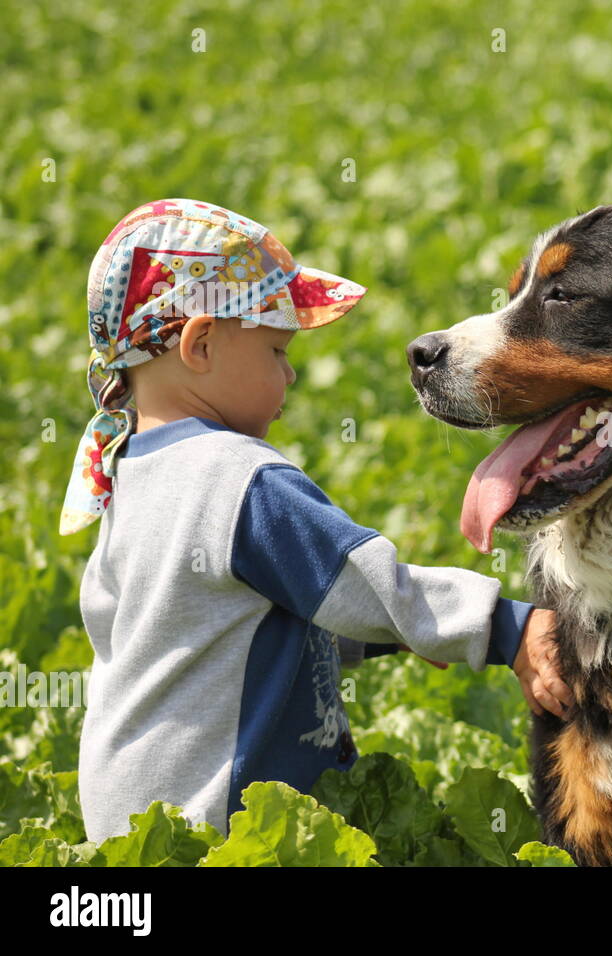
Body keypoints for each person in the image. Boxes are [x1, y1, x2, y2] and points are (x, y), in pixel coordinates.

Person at [60, 198, 572, 844]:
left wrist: (408, 634)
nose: (291, 374)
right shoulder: (237, 477)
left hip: (134, 824)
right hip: (227, 822)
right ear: (201, 345)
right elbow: (358, 583)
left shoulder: (128, 473)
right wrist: (505, 627)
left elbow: (241, 623)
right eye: (276, 350)